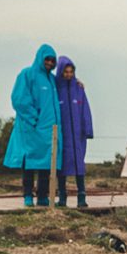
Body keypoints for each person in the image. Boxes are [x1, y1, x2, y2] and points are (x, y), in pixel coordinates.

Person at [3, 44, 62, 207]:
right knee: (28, 163)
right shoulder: (27, 74)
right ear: (40, 58)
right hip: (31, 129)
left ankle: (42, 196)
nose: (50, 63)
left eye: (52, 60)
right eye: (47, 59)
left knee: (45, 165)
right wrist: (33, 119)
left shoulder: (51, 80)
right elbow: (19, 99)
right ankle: (27, 196)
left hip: (49, 131)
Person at [54, 56, 94, 208]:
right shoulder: (56, 89)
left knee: (79, 165)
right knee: (62, 165)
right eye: (66, 72)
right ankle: (62, 197)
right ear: (61, 72)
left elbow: (85, 110)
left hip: (77, 135)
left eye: (71, 72)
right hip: (62, 135)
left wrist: (87, 129)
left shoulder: (79, 89)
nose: (68, 75)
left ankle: (81, 197)